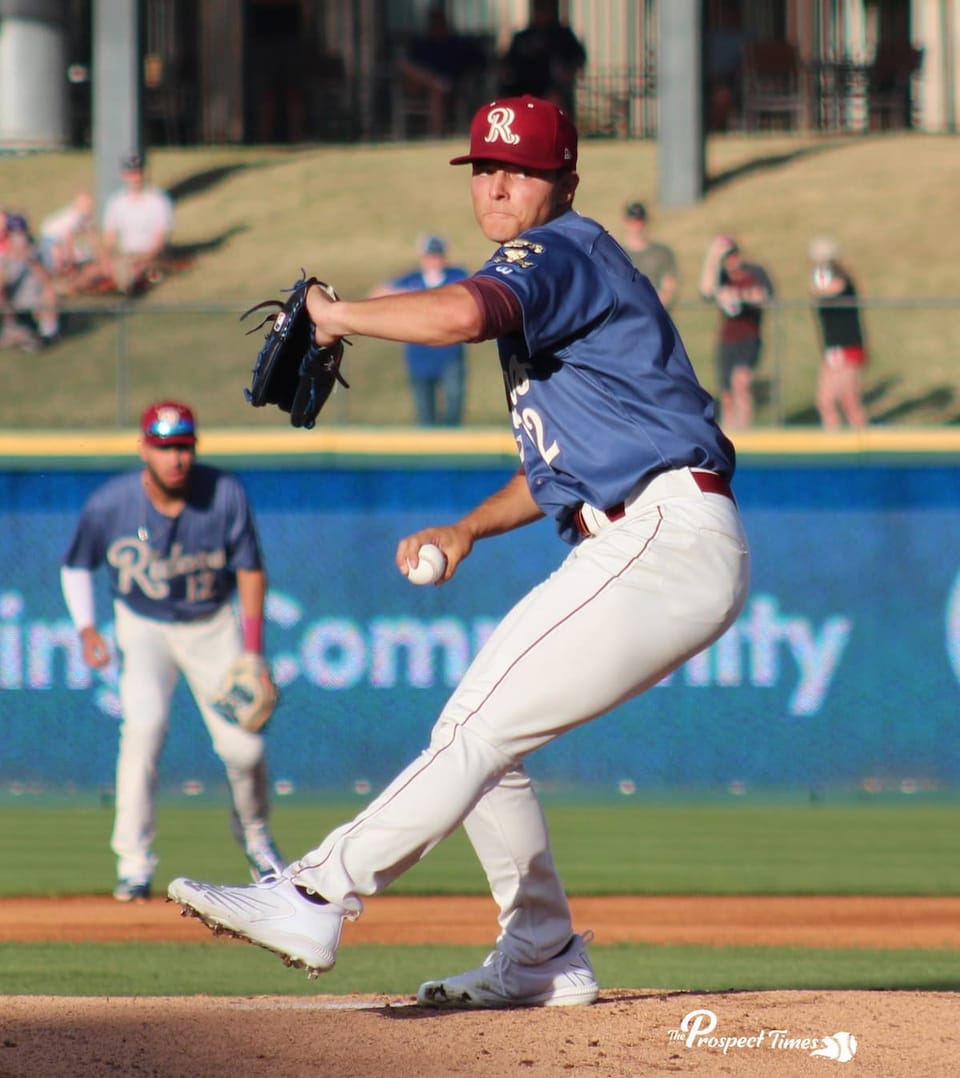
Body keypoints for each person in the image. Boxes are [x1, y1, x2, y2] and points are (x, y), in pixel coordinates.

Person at [168, 95, 750, 1009]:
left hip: (664, 534)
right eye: (484, 168)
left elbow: (459, 316)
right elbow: (561, 468)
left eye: (518, 170)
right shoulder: (556, 290)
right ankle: (543, 952)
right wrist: (469, 528)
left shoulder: (561, 251)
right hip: (645, 532)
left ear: (565, 180)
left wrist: (335, 314)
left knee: (474, 729)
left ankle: (318, 891)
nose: (498, 184)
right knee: (485, 745)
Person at [60, 401, 285, 902]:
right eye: (163, 447)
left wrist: (253, 652)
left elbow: (250, 570)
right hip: (141, 626)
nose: (175, 458)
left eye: (182, 446)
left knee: (244, 748)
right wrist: (86, 629)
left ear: (195, 448)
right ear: (144, 449)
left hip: (211, 624)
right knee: (142, 730)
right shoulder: (110, 504)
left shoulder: (224, 494)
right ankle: (133, 867)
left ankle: (256, 841)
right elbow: (76, 565)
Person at [369, 234, 470, 425]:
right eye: (429, 256)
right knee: (424, 412)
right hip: (419, 356)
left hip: (449, 354)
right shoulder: (412, 280)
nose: (433, 260)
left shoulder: (455, 276)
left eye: (436, 255)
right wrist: (414, 297)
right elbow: (378, 294)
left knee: (453, 407)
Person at [698, 233, 774, 430]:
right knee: (727, 393)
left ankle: (745, 429)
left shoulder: (754, 272)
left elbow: (765, 295)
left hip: (749, 337)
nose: (732, 260)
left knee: (741, 383)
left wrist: (740, 296)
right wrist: (713, 255)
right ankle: (731, 433)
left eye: (733, 254)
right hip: (727, 340)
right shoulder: (721, 277)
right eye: (727, 257)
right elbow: (706, 290)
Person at [396, 5, 487, 138]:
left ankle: (436, 135)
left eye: (439, 22)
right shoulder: (422, 44)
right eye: (433, 22)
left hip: (450, 87)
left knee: (437, 91)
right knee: (405, 66)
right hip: (419, 85)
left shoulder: (457, 44)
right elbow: (407, 64)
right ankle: (435, 82)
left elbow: (480, 61)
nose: (435, 25)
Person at [808, 235, 868, 429]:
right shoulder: (820, 279)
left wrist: (820, 280)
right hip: (833, 349)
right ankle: (833, 441)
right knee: (825, 400)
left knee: (849, 399)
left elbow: (829, 290)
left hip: (847, 346)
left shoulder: (843, 281)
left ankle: (862, 445)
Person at [99, 152, 174, 294]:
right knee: (92, 273)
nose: (136, 178)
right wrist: (106, 258)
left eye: (139, 173)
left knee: (133, 275)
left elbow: (160, 240)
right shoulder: (116, 202)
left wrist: (142, 259)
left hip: (149, 256)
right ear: (124, 175)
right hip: (125, 255)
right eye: (131, 173)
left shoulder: (158, 201)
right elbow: (109, 238)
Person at [499, 0, 587, 117]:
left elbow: (578, 59)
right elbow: (507, 65)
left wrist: (564, 78)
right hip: (523, 92)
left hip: (554, 92)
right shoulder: (522, 38)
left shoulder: (564, 36)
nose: (541, 12)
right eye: (539, 7)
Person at [0, 212, 60, 350]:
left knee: (50, 293)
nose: (19, 238)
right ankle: (13, 330)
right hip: (14, 303)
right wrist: (8, 262)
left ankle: (48, 333)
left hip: (35, 301)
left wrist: (31, 260)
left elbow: (48, 281)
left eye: (21, 233)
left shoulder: (39, 251)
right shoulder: (4, 257)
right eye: (15, 234)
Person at [37, 191, 101, 294]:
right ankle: (62, 284)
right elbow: (68, 239)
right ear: (78, 205)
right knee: (61, 263)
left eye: (90, 204)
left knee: (84, 254)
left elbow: (92, 234)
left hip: (58, 240)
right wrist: (70, 260)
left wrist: (97, 254)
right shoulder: (73, 217)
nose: (89, 207)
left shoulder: (84, 216)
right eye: (86, 204)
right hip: (51, 239)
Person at [621, 201, 679, 310]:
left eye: (639, 220)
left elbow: (669, 288)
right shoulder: (618, 255)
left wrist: (651, 309)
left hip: (656, 314)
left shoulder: (662, 253)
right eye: (632, 221)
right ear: (625, 222)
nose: (636, 226)